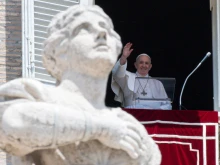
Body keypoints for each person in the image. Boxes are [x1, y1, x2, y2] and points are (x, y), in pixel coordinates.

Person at [0, 5, 161, 165]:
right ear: (59, 49)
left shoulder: (132, 128)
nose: (102, 33)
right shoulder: (33, 96)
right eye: (84, 28)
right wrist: (101, 127)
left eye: (106, 28)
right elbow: (12, 122)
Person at [112, 42, 172, 110]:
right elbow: (117, 73)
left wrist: (156, 111)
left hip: (153, 117)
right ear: (135, 65)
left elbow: (167, 105)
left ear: (150, 66)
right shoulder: (127, 77)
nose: (144, 65)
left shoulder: (158, 83)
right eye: (141, 62)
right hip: (132, 115)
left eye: (146, 63)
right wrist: (124, 57)